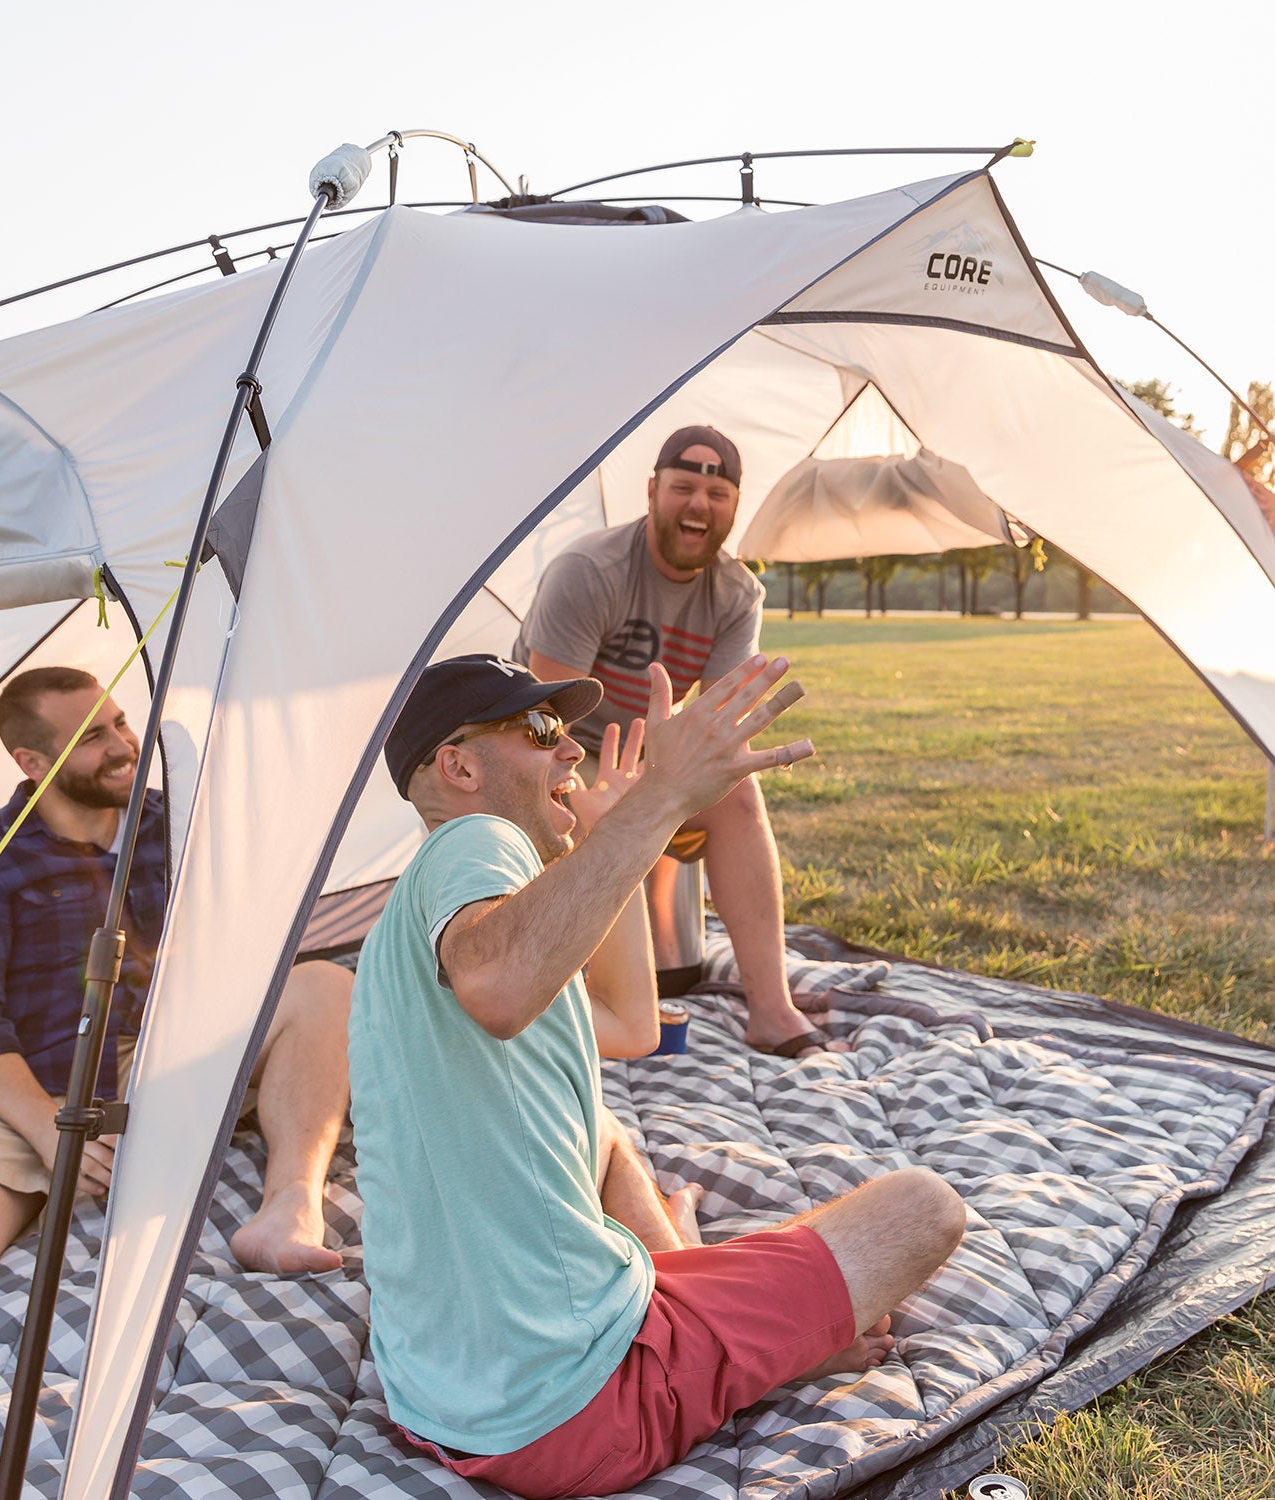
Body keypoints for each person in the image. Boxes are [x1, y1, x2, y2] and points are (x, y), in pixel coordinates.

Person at [348, 652, 965, 1499]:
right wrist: (661, 797)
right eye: (538, 731)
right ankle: (749, 1349)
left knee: (603, 1134)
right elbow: (498, 984)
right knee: (924, 1208)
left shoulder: (412, 937)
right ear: (459, 767)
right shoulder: (473, 840)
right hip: (573, 1411)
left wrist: (613, 838)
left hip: (440, 1400)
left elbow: (631, 1029)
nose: (570, 751)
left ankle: (690, 1293)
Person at [0, 666, 352, 1500]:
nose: (124, 746)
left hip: (164, 1056)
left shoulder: (177, 822)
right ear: (30, 760)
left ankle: (287, 1200)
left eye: (121, 723)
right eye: (93, 737)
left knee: (324, 985)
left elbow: (253, 943)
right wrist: (51, 1125)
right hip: (16, 1079)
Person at [515, 424, 829, 1056]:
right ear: (654, 491)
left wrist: (670, 780)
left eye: (716, 495)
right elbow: (542, 722)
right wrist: (616, 793)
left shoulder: (739, 594)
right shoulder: (589, 570)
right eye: (683, 488)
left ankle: (771, 1008)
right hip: (559, 746)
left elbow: (715, 728)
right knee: (571, 789)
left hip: (648, 751)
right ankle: (554, 986)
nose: (698, 506)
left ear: (733, 508)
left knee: (738, 795)